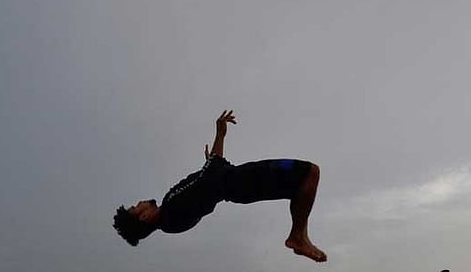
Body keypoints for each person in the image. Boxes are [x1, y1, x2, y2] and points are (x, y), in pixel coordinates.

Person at [114, 110, 326, 262]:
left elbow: (208, 180)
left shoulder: (171, 217)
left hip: (238, 184)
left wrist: (215, 150)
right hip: (242, 181)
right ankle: (298, 236)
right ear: (143, 217)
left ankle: (299, 236)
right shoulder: (172, 209)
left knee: (299, 187)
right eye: (137, 206)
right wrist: (217, 142)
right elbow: (209, 179)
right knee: (309, 172)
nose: (141, 202)